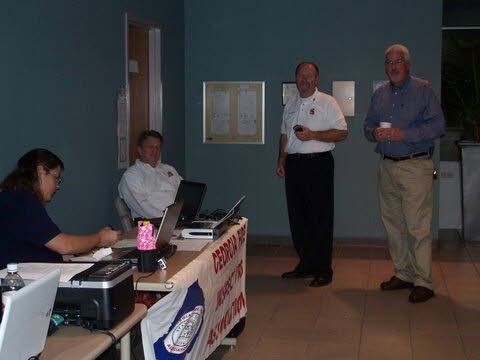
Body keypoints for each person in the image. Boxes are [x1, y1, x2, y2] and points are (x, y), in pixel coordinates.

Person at [364, 44, 445, 303]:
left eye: (398, 61)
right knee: (394, 225)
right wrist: (374, 132)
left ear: (407, 64)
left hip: (415, 165)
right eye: (389, 62)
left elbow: (438, 126)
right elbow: (367, 126)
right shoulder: (380, 95)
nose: (393, 66)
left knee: (417, 227)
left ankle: (424, 282)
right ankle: (403, 273)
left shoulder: (423, 90)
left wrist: (403, 134)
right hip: (386, 165)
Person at [276, 62, 348, 287]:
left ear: (316, 79)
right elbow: (284, 135)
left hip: (318, 165)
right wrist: (281, 159)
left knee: (320, 218)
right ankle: (306, 264)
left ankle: (324, 269)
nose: (304, 79)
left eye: (309, 76)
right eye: (300, 75)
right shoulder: (291, 103)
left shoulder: (328, 102)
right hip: (294, 165)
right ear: (295, 77)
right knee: (298, 218)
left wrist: (313, 135)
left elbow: (343, 132)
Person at [0, 149, 121, 269]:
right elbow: (64, 245)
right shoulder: (23, 199)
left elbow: (35, 245)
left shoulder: (13, 197)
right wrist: (99, 238)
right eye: (56, 178)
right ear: (41, 171)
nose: (57, 186)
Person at [118, 130, 182, 222]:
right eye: (150, 147)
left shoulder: (169, 169)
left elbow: (184, 192)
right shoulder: (131, 176)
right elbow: (141, 207)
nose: (155, 151)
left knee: (203, 232)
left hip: (177, 220)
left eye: (158, 147)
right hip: (148, 223)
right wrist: (169, 219)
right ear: (140, 150)